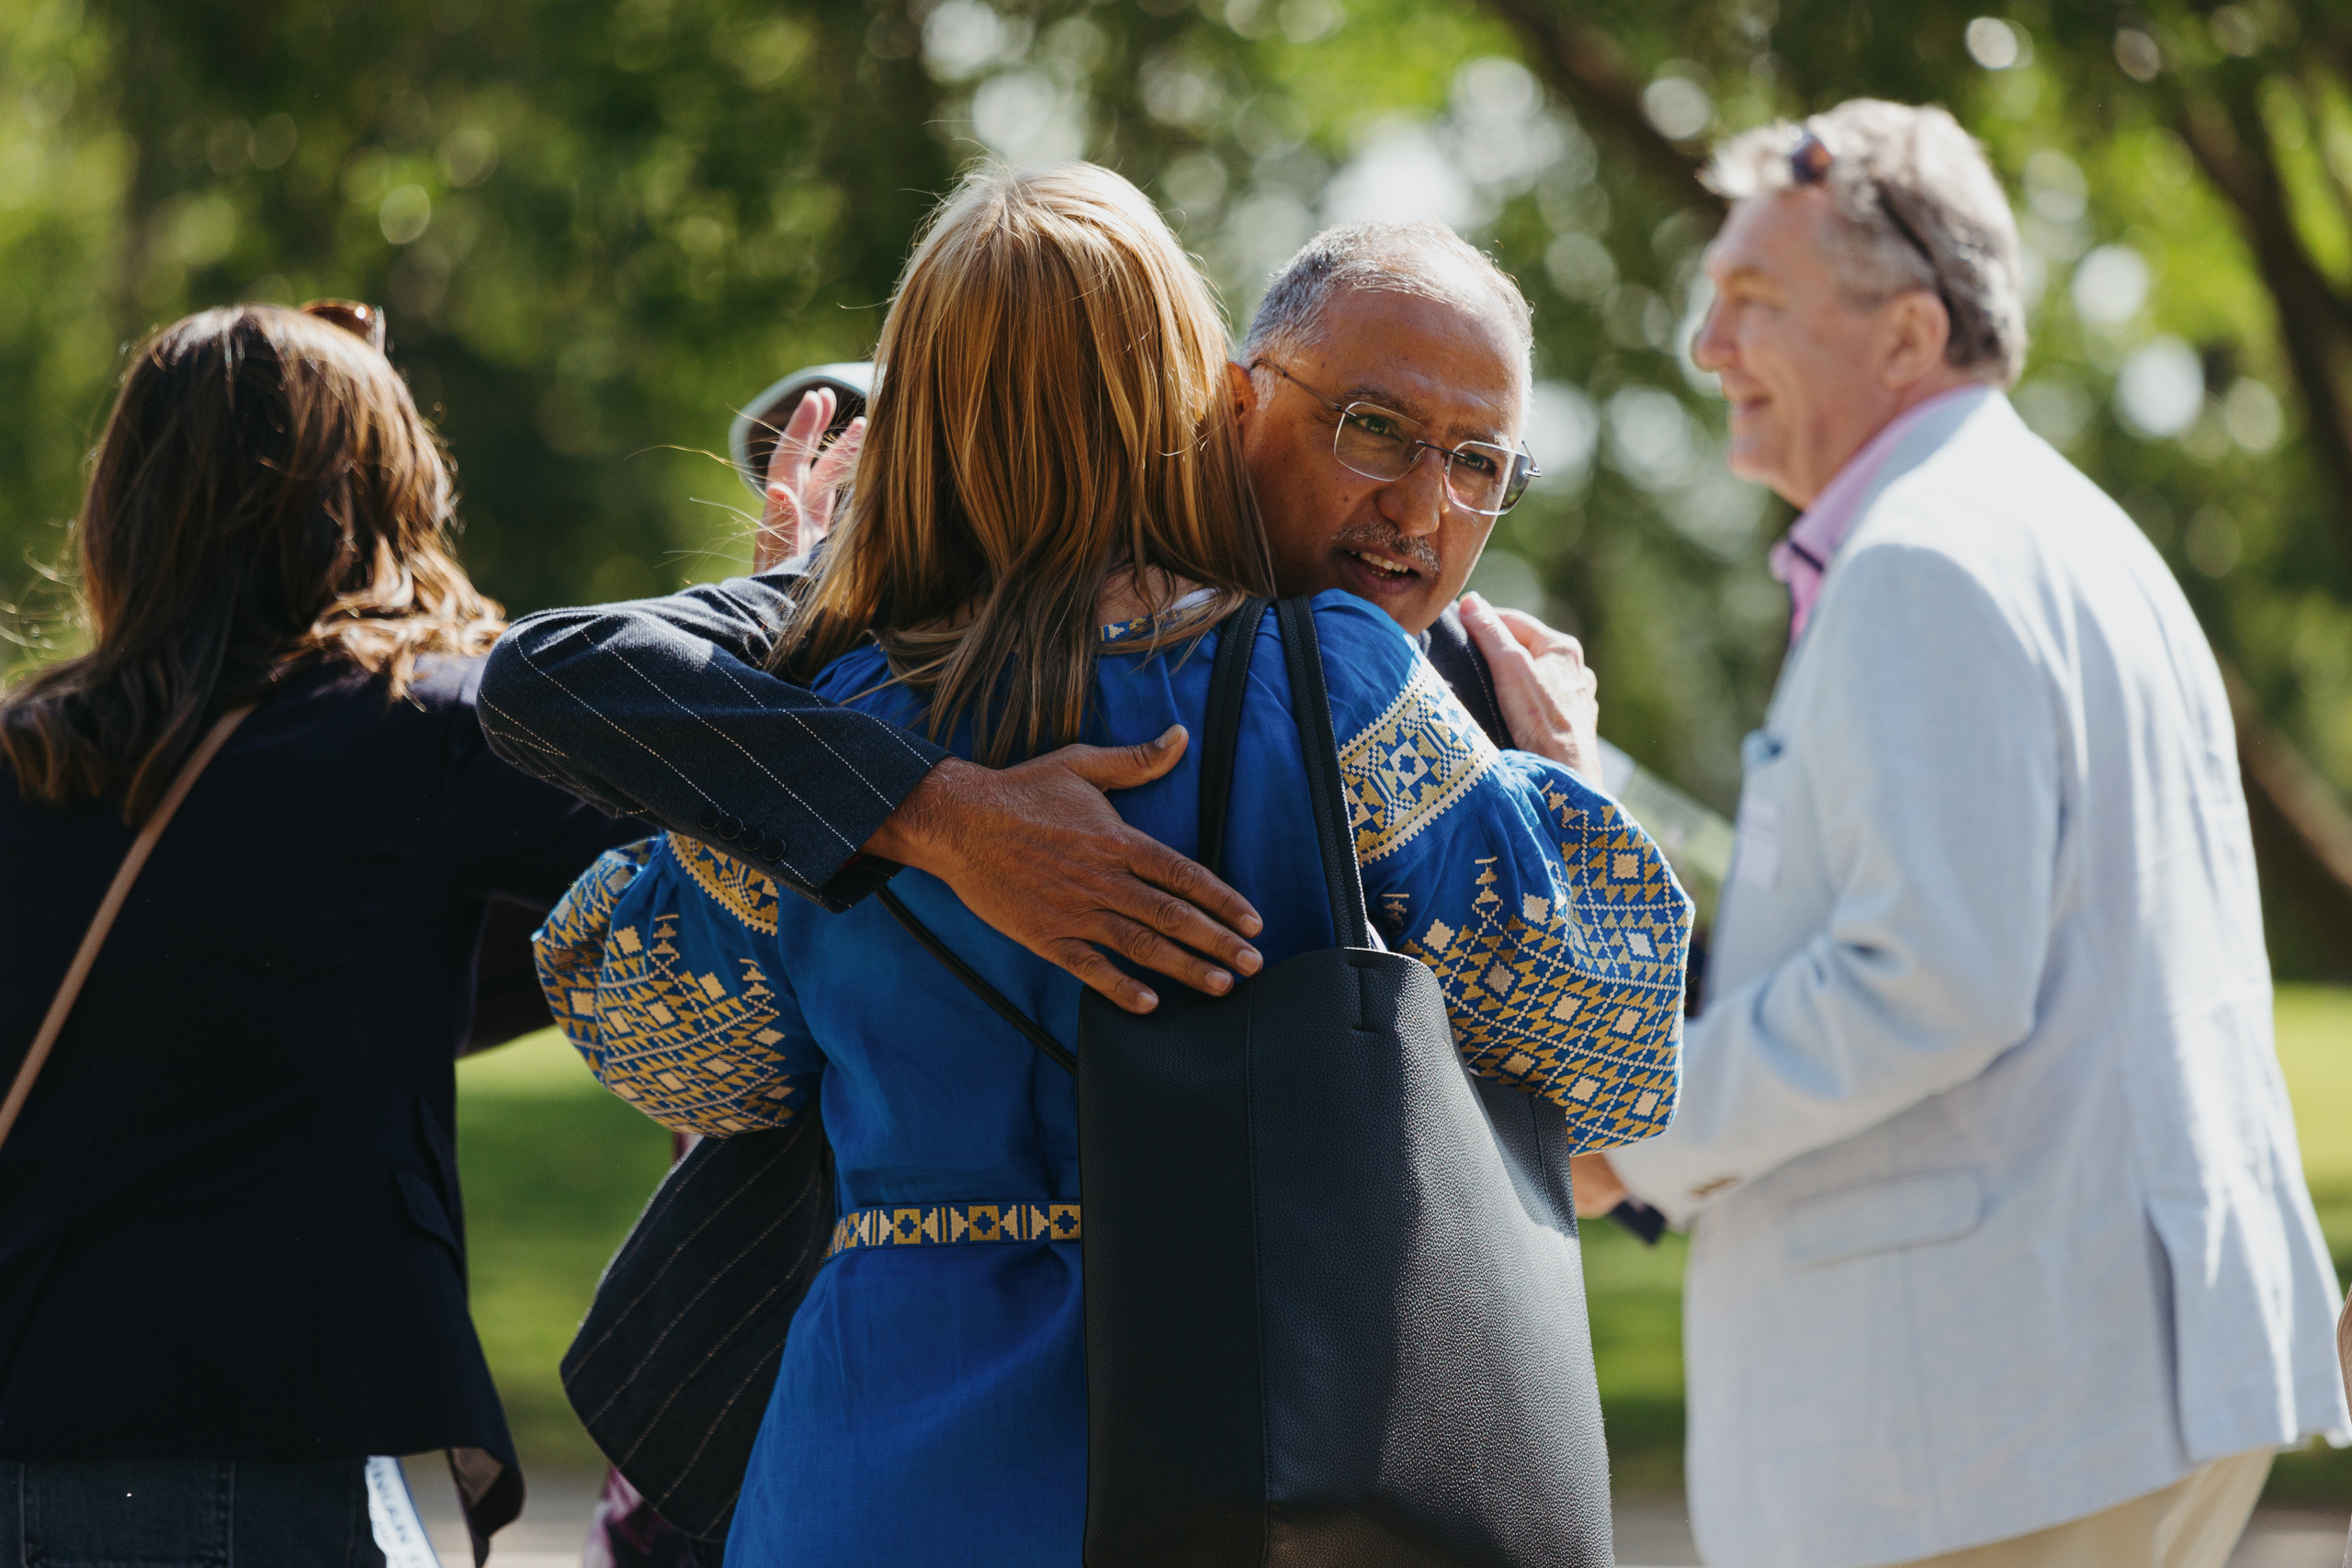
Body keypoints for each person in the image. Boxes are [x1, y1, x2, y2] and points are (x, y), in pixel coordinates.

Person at [532, 161, 1687, 1565]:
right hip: (1241, 1457)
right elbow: (1617, 1039)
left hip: (870, 1479)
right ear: (1196, 392)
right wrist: (1549, 771)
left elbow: (661, 1046)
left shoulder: (837, 733)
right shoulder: (1334, 689)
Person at [1566, 100, 2350, 1568]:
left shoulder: (1922, 560)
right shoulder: (2064, 532)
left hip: (1991, 1419)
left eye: (1752, 300)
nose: (1706, 346)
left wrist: (1634, 1133)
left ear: (1907, 337)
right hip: (2093, 1388)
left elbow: (1924, 976)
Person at [0, 302, 638, 1562]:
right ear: (378, 495)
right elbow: (691, 857)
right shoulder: (421, 730)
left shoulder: (29, 751)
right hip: (252, 1452)